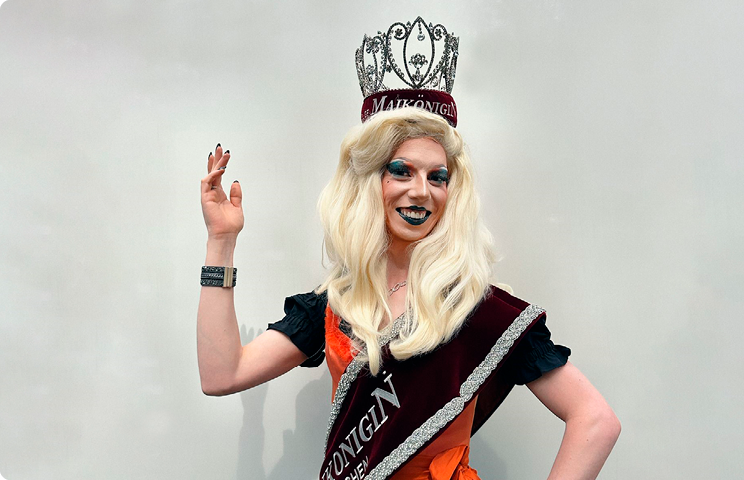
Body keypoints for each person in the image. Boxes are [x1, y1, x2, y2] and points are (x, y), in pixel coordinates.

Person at [198, 19, 620, 480]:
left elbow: (596, 421)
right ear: (368, 182)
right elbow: (221, 375)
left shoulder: (479, 310)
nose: (422, 191)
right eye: (402, 171)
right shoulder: (337, 306)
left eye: (437, 177)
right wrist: (221, 240)